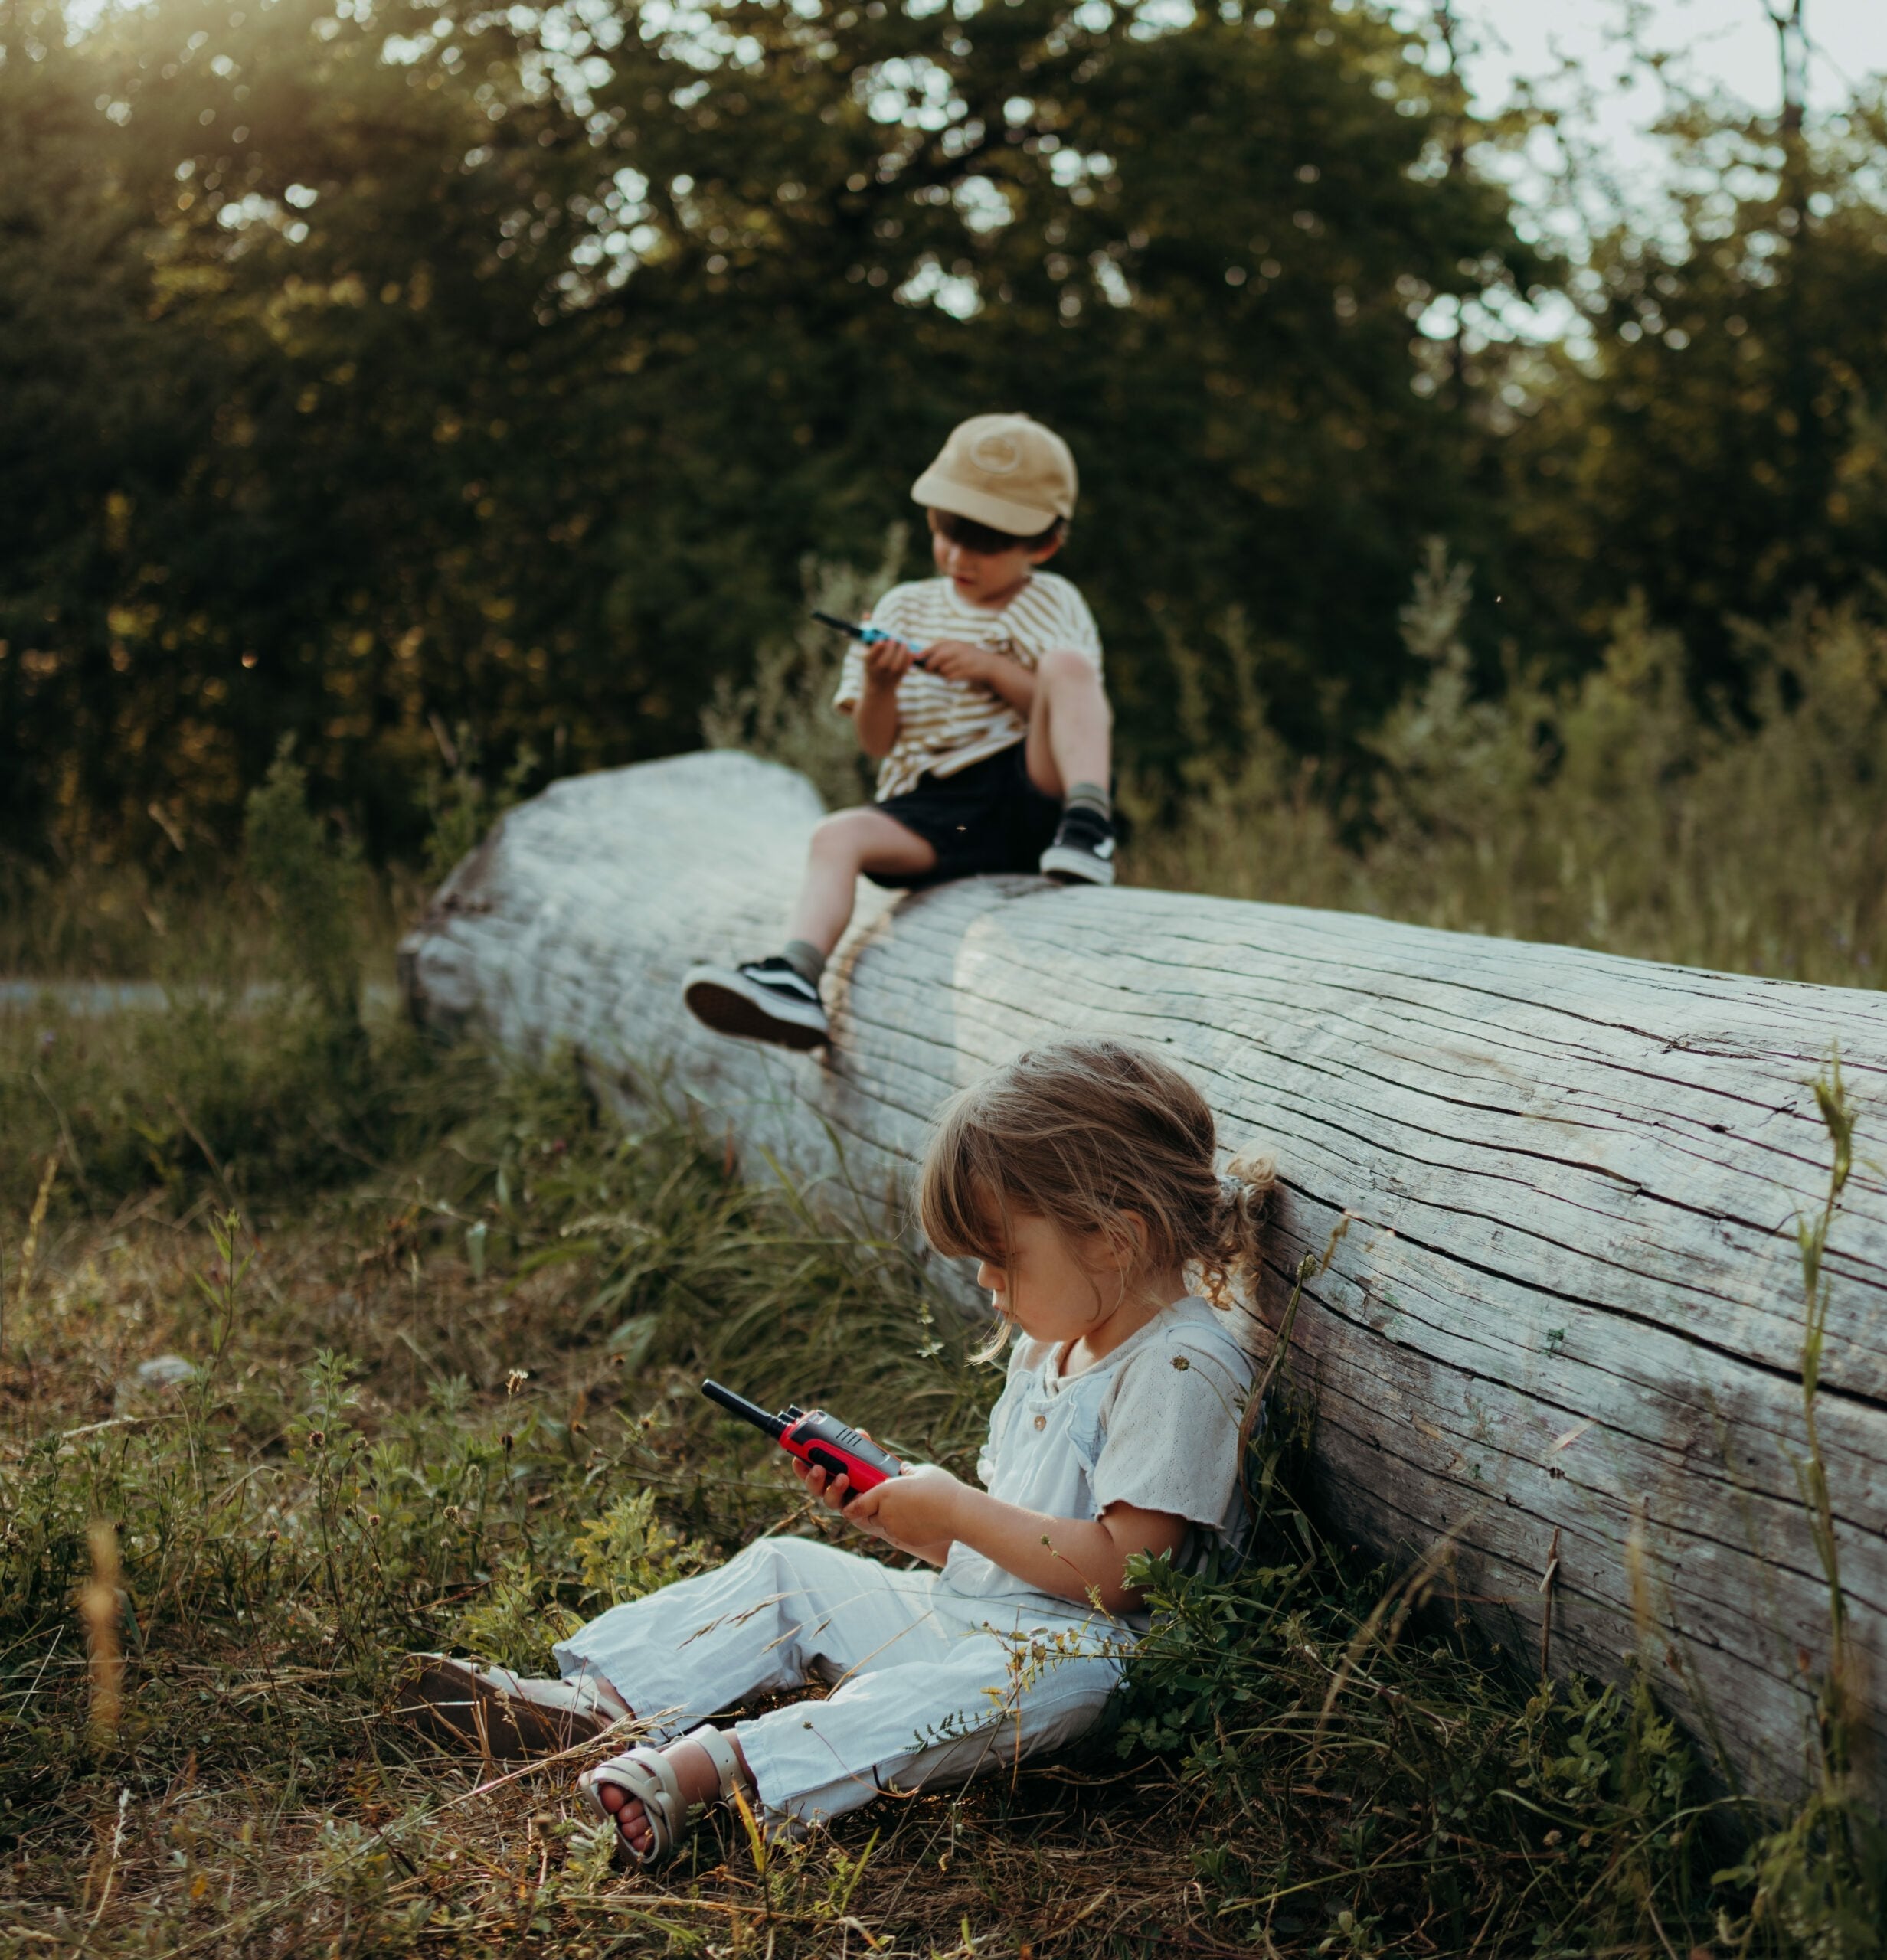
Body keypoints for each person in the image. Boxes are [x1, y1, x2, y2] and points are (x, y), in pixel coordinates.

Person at [397, 1036, 1273, 1865]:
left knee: (1035, 1688)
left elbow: (1125, 1573)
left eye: (1000, 1257)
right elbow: (1002, 1554)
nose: (984, 1283)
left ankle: (725, 1771)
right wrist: (904, 1517)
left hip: (1088, 1659)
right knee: (787, 1568)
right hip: (977, 1616)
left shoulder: (1179, 1365)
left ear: (1112, 1237)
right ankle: (604, 1707)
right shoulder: (1053, 1343)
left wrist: (958, 1508)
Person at [681, 413, 1117, 1050]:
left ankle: (1091, 824)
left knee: (1068, 665)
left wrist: (997, 672)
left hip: (1033, 791)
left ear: (1042, 545)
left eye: (986, 543)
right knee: (836, 835)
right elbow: (878, 743)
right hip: (939, 810)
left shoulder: (1052, 600)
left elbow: (1076, 702)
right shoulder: (905, 607)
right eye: (948, 532)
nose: (960, 556)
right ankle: (798, 977)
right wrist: (881, 685)